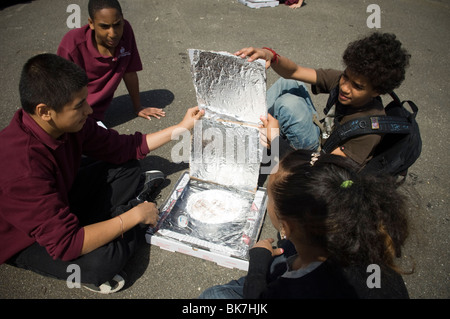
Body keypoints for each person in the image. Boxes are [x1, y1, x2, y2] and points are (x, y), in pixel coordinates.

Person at [0, 53, 203, 294]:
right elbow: (66, 244)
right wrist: (134, 217)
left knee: (127, 167)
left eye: (86, 101)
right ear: (45, 111)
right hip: (27, 239)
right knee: (103, 262)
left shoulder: (70, 123)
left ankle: (114, 222)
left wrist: (180, 128)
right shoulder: (20, 168)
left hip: (60, 199)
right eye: (79, 106)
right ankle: (130, 219)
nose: (89, 110)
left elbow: (123, 147)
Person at [199, 149, 411, 299]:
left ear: (287, 226)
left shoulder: (298, 289)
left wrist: (257, 262)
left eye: (270, 199)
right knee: (283, 254)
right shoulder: (364, 233)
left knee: (212, 296)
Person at [235, 32, 411, 168]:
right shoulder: (344, 80)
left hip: (319, 157)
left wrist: (276, 143)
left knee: (288, 105)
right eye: (346, 77)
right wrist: (271, 55)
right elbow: (294, 71)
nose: (345, 87)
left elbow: (324, 169)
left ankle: (248, 137)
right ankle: (244, 126)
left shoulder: (370, 130)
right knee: (288, 83)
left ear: (377, 91)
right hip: (322, 136)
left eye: (357, 86)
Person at [57, 0, 165, 122]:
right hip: (78, 114)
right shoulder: (72, 45)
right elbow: (62, 92)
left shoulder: (126, 30)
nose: (113, 34)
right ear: (91, 23)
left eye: (117, 24)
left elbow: (129, 72)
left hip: (98, 112)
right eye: (104, 26)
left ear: (122, 19)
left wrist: (138, 107)